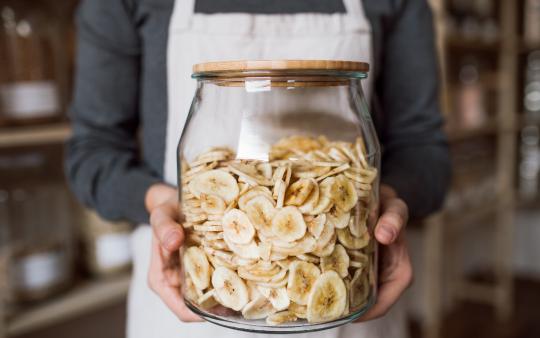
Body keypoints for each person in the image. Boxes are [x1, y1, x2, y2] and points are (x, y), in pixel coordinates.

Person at [66, 0, 450, 337]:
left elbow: (424, 150)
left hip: (349, 307)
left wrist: (390, 200)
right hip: (190, 306)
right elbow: (92, 153)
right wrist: (162, 202)